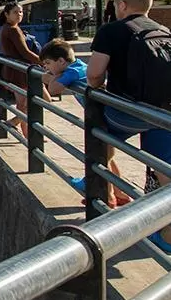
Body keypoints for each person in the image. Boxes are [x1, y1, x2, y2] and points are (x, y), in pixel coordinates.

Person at [86, 0, 171, 253]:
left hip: (133, 113)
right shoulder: (164, 31)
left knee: (97, 133)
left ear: (122, 5)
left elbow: (94, 75)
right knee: (167, 174)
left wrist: (98, 86)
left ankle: (100, 186)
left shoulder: (111, 30)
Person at [38, 38, 127, 200]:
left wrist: (51, 78)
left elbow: (54, 89)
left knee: (101, 156)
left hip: (103, 117)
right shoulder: (78, 66)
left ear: (61, 61)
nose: (46, 68)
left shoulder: (72, 72)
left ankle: (106, 196)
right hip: (103, 115)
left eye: (48, 63)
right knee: (107, 156)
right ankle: (119, 193)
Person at [0, 1, 40, 139]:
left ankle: (27, 135)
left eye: (21, 12)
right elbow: (25, 52)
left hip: (14, 69)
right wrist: (42, 62)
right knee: (38, 100)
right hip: (19, 71)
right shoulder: (13, 30)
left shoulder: (8, 28)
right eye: (15, 12)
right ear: (6, 14)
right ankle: (16, 123)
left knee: (23, 104)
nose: (19, 15)